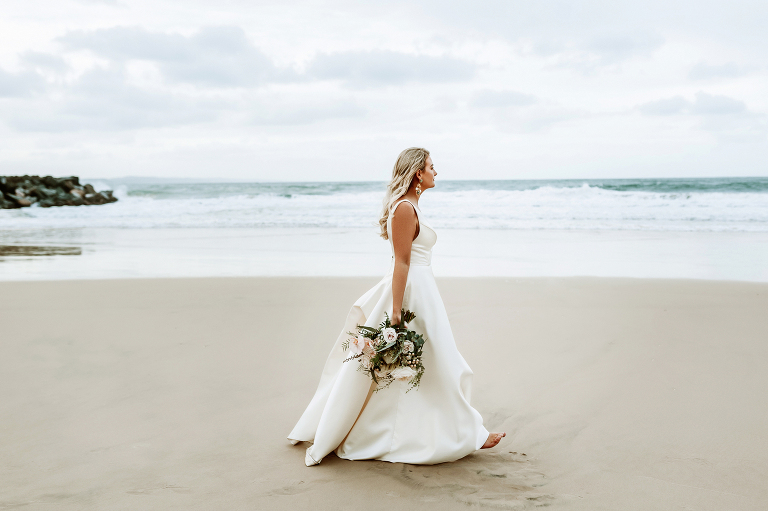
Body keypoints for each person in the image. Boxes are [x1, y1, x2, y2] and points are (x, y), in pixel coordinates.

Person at [288, 147, 505, 466]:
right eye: (432, 166)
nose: (436, 171)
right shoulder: (404, 208)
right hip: (412, 295)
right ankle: (466, 434)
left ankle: (458, 431)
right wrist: (396, 311)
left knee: (431, 364)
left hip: (425, 292)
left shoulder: (412, 207)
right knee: (435, 363)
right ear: (418, 172)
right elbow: (401, 262)